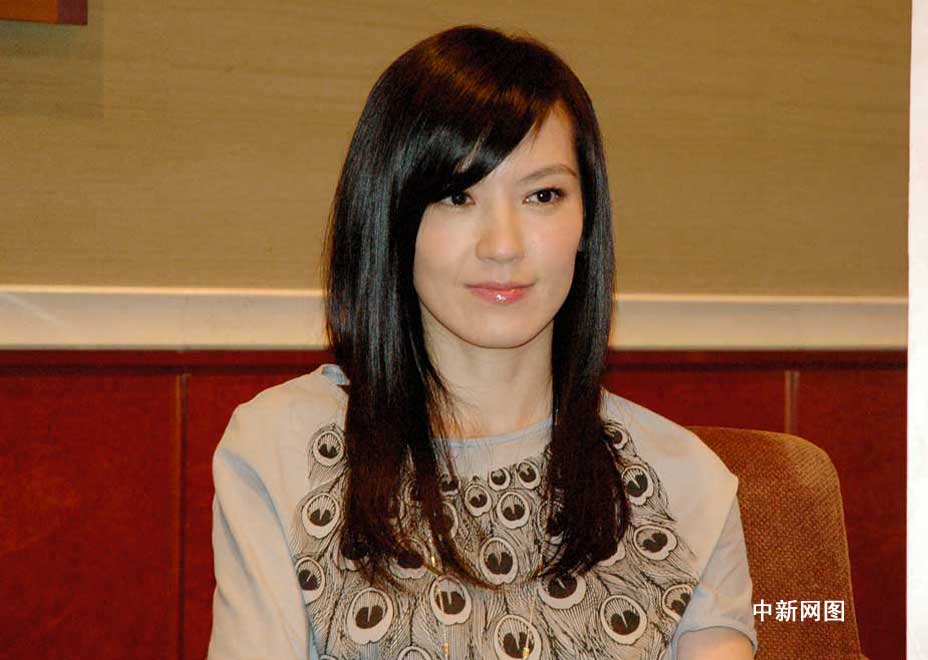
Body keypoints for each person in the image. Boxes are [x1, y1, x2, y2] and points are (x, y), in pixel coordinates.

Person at [207, 25, 758, 660]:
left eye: (543, 195)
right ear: (391, 214)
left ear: (586, 221)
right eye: (456, 196)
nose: (503, 245)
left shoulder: (687, 488)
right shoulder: (279, 452)